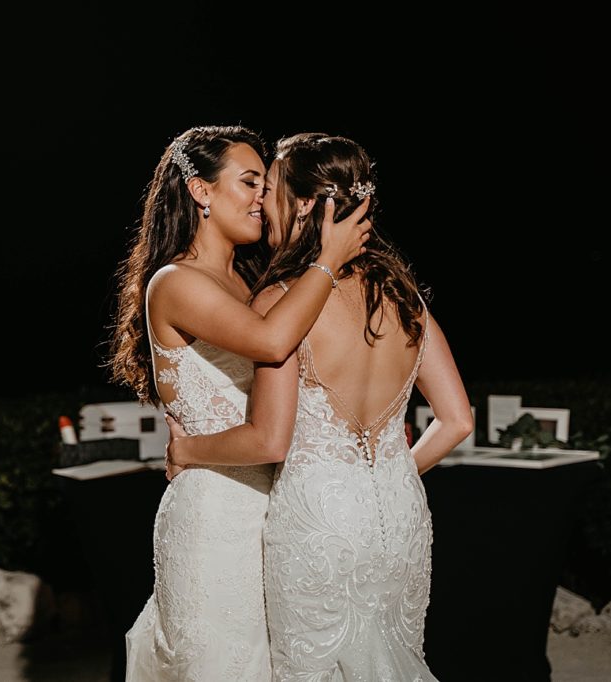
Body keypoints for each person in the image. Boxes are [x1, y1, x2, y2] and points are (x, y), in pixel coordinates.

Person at [165, 132, 474, 680]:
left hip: (317, 524)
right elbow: (458, 421)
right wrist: (383, 477)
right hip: (399, 514)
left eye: (272, 188)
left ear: (305, 203)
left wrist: (184, 449)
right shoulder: (403, 296)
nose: (264, 201)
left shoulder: (280, 302)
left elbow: (270, 438)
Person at [108, 125, 372, 681]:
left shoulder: (252, 283)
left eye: (266, 185)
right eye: (250, 182)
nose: (262, 197)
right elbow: (271, 343)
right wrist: (328, 260)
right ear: (201, 191)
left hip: (279, 515)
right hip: (214, 517)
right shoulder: (175, 282)